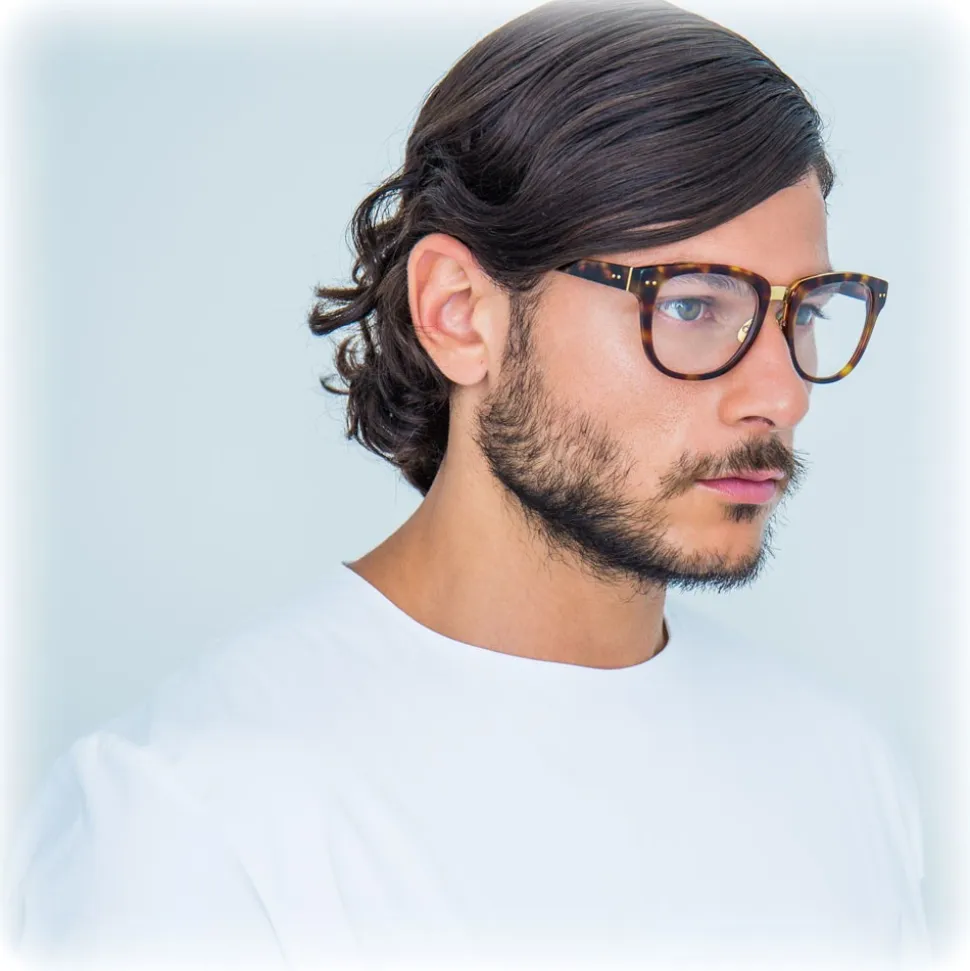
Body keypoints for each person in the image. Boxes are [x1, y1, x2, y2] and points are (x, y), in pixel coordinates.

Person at [3, 2, 932, 969]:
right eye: (694, 305)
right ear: (459, 313)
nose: (782, 394)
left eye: (803, 311)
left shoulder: (846, 773)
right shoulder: (185, 824)